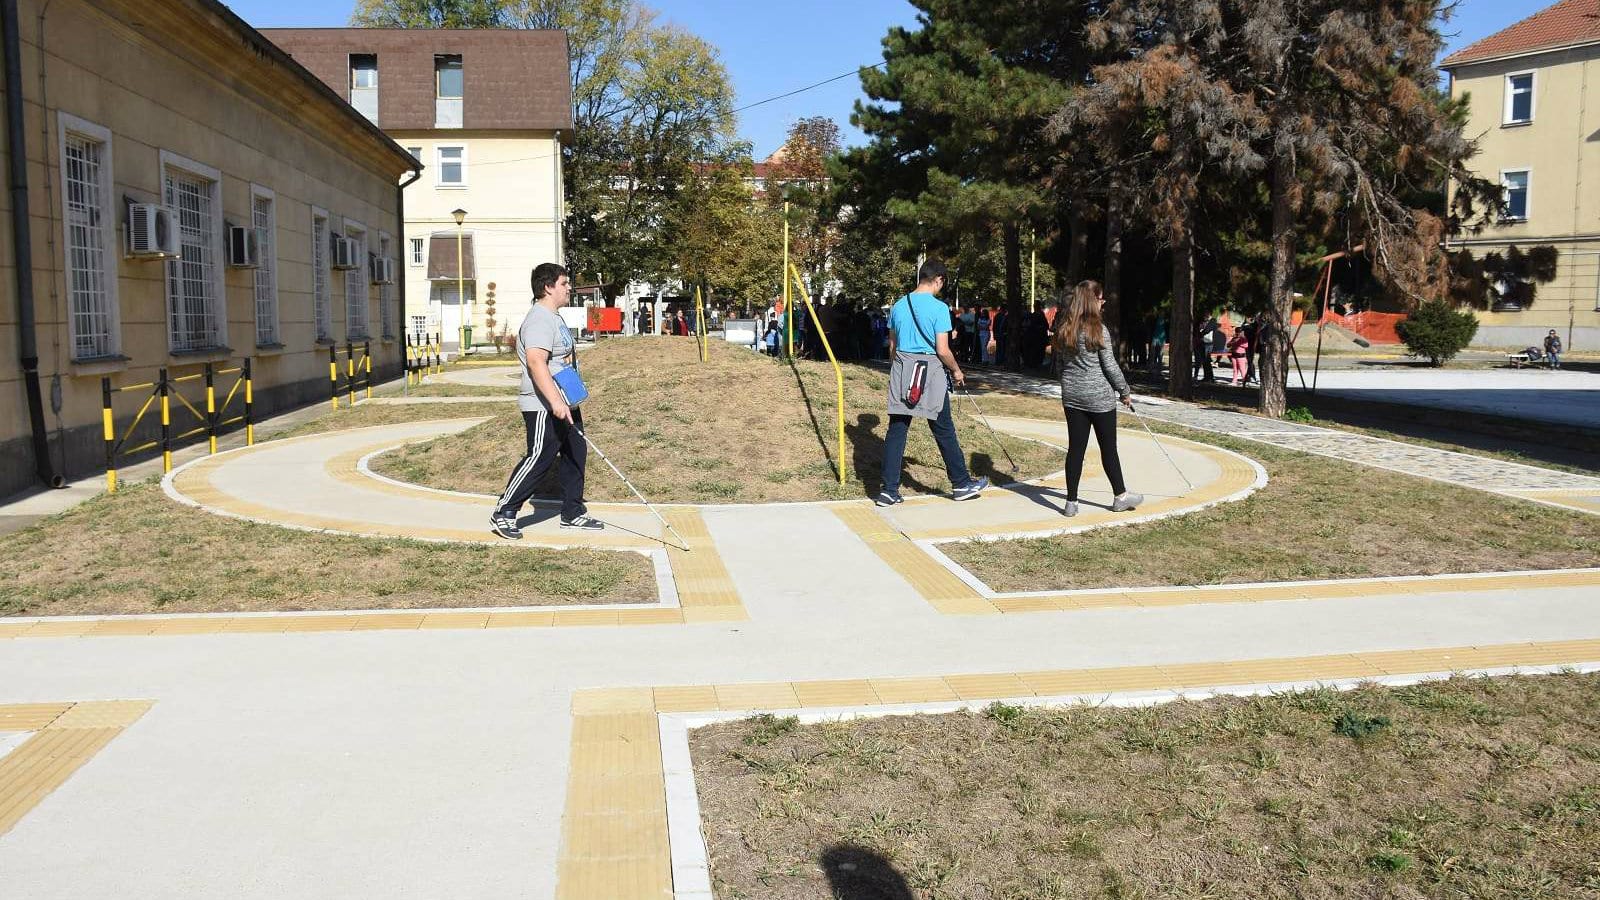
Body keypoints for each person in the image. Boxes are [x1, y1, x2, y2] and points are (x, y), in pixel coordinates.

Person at [491, 263, 601, 539]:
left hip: (565, 400)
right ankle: (505, 511)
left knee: (576, 452)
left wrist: (570, 395)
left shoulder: (554, 317)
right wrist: (555, 402)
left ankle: (572, 513)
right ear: (548, 287)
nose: (569, 288)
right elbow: (536, 362)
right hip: (543, 404)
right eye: (564, 283)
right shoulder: (539, 319)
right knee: (540, 455)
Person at [878, 260, 989, 507]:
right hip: (929, 372)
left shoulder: (898, 305)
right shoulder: (939, 309)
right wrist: (957, 370)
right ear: (938, 279)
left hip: (902, 368)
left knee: (897, 429)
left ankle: (888, 490)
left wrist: (899, 371)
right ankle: (961, 483)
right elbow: (942, 349)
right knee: (943, 429)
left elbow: (892, 347)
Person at [1055, 280, 1142, 517]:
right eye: (1101, 298)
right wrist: (1124, 390)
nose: (1103, 303)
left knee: (1075, 449)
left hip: (1072, 396)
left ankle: (1071, 502)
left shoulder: (1065, 328)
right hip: (1099, 398)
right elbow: (1110, 366)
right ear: (1093, 300)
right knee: (1108, 448)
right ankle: (1120, 496)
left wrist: (1067, 384)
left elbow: (1059, 364)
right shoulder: (1098, 329)